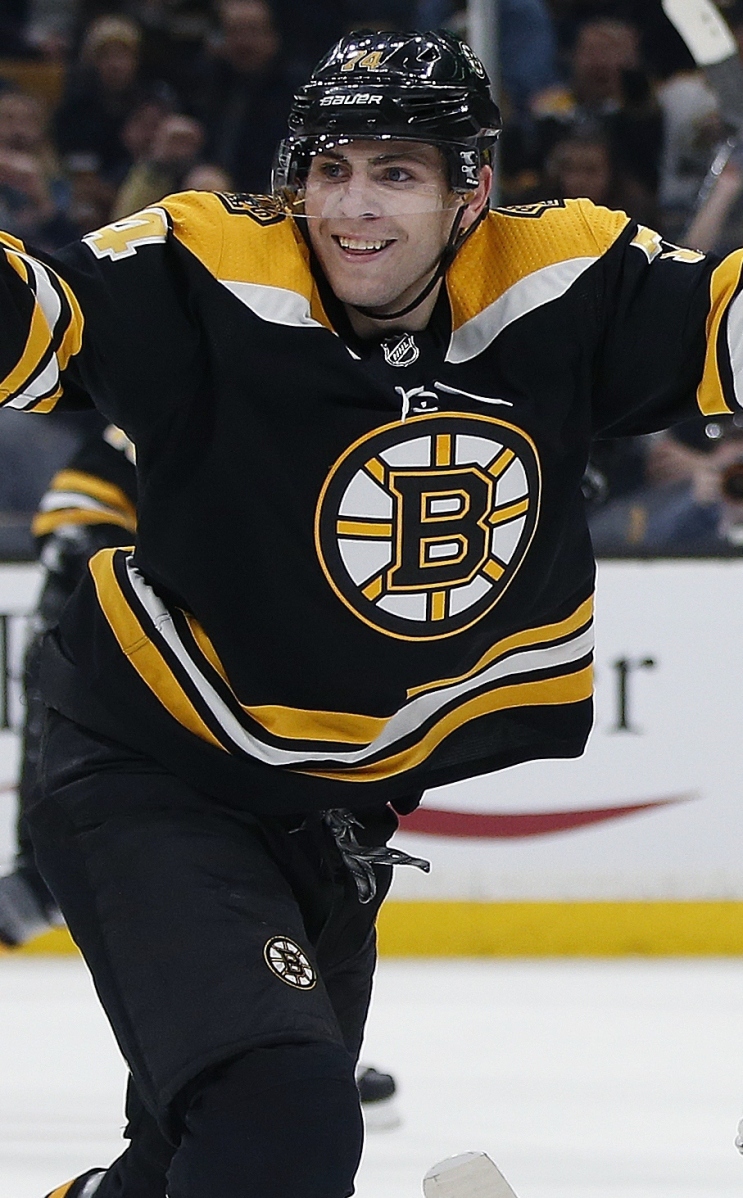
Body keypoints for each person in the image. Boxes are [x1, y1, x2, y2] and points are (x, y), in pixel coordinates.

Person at [0, 24, 741, 1198]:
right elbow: (34, 314)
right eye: (329, 169)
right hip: (154, 767)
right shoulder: (208, 260)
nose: (352, 209)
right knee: (281, 1129)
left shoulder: (562, 276)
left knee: (202, 1163)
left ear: (470, 191)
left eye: (395, 172)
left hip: (331, 823)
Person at [0, 417, 400, 1129]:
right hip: (106, 667)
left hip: (209, 682)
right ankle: (259, 1038)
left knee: (271, 862)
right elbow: (77, 530)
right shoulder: (182, 396)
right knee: (61, 876)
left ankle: (282, 1029)